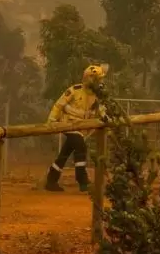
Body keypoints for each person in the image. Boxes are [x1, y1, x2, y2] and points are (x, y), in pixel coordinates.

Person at [44, 63, 113, 192]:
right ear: (89, 79)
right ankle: (82, 180)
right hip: (69, 125)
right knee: (81, 147)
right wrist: (51, 121)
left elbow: (101, 109)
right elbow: (59, 105)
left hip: (81, 129)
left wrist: (105, 117)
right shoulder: (74, 90)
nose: (100, 82)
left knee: (65, 153)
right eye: (97, 79)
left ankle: (51, 180)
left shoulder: (97, 95)